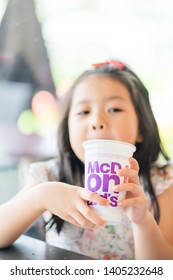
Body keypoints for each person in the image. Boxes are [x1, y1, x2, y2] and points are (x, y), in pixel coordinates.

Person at [0, 59, 173, 260]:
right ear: (67, 127)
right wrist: (40, 197)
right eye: (84, 112)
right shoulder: (51, 175)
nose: (97, 122)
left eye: (114, 109)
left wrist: (142, 221)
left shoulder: (160, 182)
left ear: (141, 127)